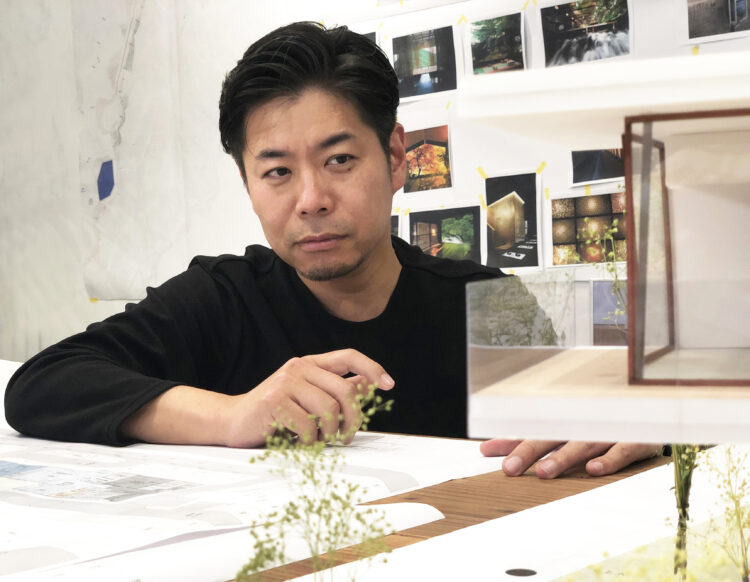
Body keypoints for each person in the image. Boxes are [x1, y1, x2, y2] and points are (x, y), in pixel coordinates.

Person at [4, 22, 660, 479]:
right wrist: (233, 415)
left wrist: (635, 426)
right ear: (248, 184)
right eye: (277, 171)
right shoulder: (222, 298)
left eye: (339, 160)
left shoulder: (486, 305)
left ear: (396, 157)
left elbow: (598, 423)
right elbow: (42, 386)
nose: (311, 199)